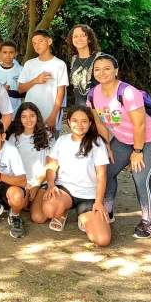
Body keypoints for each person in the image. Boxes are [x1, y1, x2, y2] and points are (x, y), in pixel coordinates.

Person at [88, 53, 151, 239]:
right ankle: (107, 211)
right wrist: (106, 146)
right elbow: (100, 123)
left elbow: (140, 125)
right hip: (123, 140)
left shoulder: (128, 92)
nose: (102, 73)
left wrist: (137, 152)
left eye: (107, 68)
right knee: (106, 170)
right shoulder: (93, 94)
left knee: (140, 177)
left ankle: (148, 223)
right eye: (97, 69)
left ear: (116, 70)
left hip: (150, 139)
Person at [42, 106, 111, 247]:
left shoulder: (97, 143)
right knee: (49, 209)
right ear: (68, 122)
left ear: (90, 123)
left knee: (102, 240)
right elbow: (51, 166)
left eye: (84, 121)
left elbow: (101, 175)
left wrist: (98, 202)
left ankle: (83, 216)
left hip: (89, 195)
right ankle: (62, 212)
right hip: (65, 190)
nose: (79, 125)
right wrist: (50, 185)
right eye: (75, 120)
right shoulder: (62, 140)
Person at [16, 29, 68, 135]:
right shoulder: (29, 64)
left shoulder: (59, 64)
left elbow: (61, 93)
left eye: (40, 41)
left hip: (50, 114)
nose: (37, 45)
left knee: (50, 145)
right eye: (34, 43)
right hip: (30, 115)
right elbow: (20, 89)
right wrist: (36, 80)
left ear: (49, 42)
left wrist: (53, 116)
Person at [7, 103, 51, 224]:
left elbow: (50, 165)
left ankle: (38, 203)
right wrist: (26, 184)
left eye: (32, 116)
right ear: (19, 119)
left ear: (37, 117)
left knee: (38, 218)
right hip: (23, 182)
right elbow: (11, 166)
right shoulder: (14, 138)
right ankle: (28, 203)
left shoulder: (48, 136)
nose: (28, 120)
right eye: (24, 117)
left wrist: (37, 184)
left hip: (41, 182)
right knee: (20, 202)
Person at [66, 24, 102, 106]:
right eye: (75, 36)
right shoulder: (74, 59)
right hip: (80, 109)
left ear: (89, 39)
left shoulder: (100, 59)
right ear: (71, 40)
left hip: (98, 109)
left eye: (83, 35)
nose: (79, 39)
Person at [0, 40, 23, 113]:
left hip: (15, 110)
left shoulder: (21, 70)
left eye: (11, 52)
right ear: (0, 53)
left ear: (16, 53)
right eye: (5, 52)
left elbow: (24, 92)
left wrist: (9, 92)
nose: (8, 55)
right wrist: (1, 88)